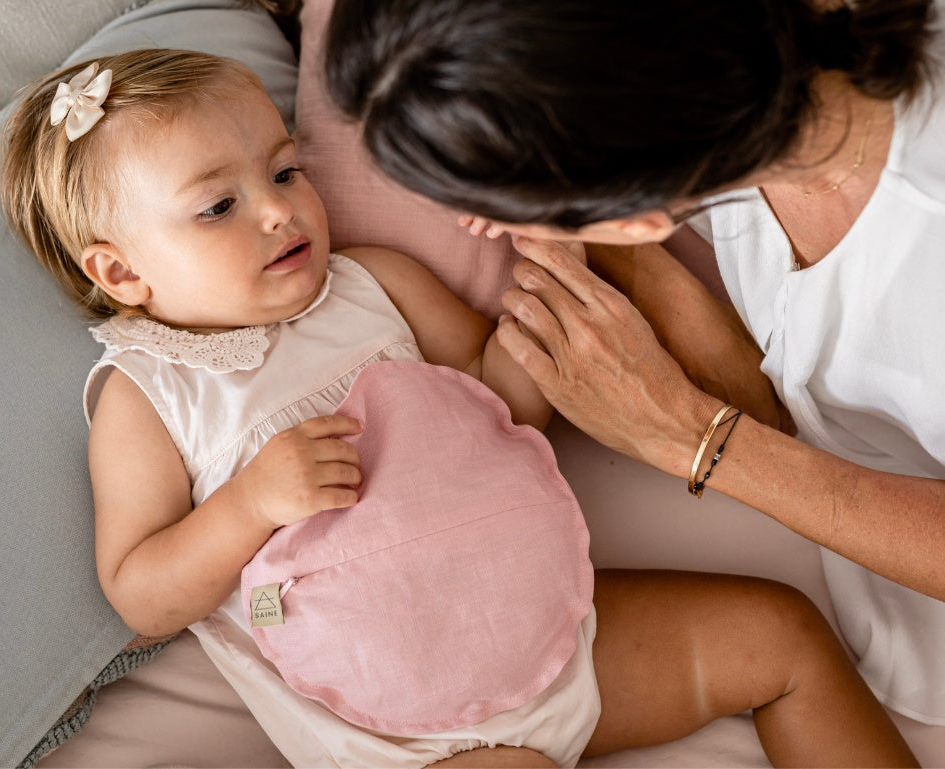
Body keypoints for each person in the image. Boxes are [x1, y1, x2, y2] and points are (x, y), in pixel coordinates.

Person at [0, 48, 917, 768]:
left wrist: (547, 270)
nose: (281, 213)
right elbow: (141, 591)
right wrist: (248, 505)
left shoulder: (375, 285)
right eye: (218, 207)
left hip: (564, 627)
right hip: (425, 730)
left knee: (783, 635)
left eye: (284, 172)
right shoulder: (151, 393)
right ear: (120, 270)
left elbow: (502, 403)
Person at [322, 0, 945, 728]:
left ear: (636, 213)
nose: (481, 228)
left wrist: (690, 437)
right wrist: (656, 281)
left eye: (494, 208)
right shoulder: (733, 85)